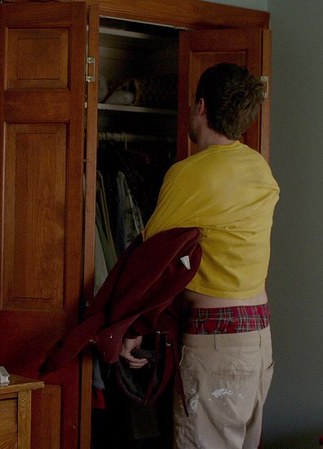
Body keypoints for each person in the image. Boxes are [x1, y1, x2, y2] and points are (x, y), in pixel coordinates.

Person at [119, 62, 279, 449]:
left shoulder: (189, 174)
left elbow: (150, 262)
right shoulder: (258, 167)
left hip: (216, 343)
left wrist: (131, 327)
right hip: (258, 339)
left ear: (201, 107)